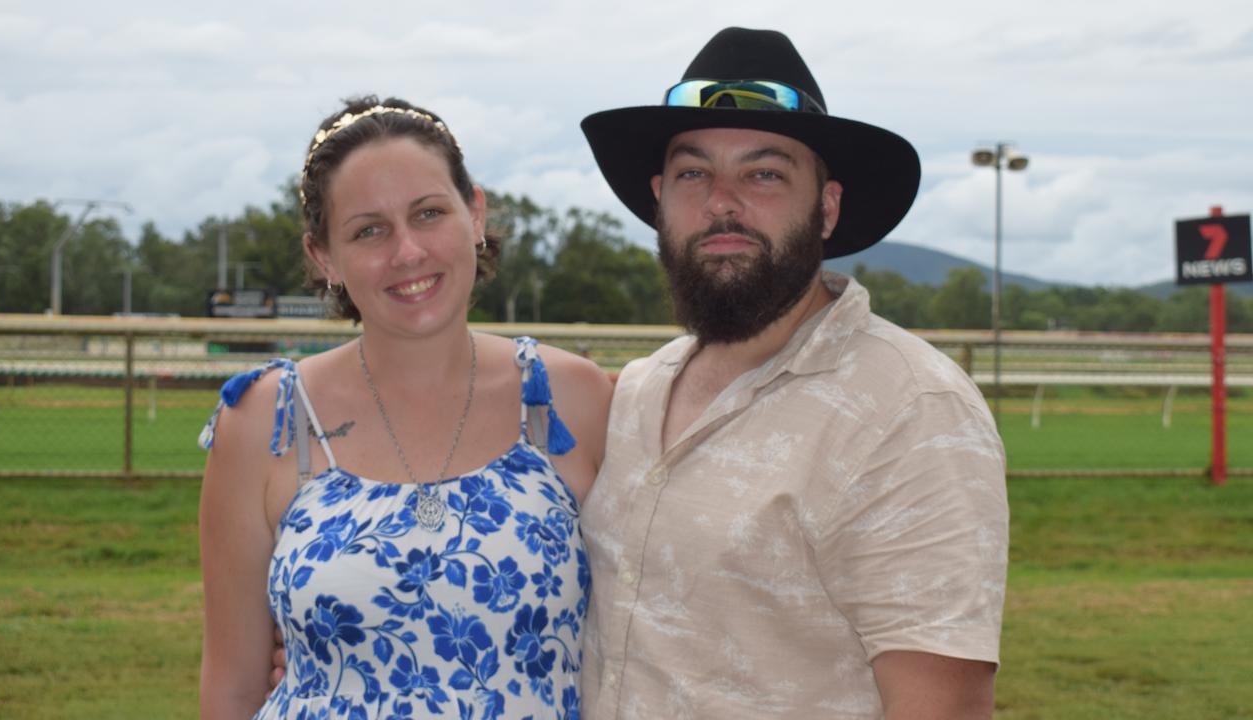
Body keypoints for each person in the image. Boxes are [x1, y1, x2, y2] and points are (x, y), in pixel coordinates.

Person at [577, 27, 1009, 719]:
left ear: (827, 206)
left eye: (764, 173)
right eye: (694, 172)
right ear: (660, 198)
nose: (722, 201)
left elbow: (943, 707)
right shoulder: (635, 392)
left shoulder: (908, 408)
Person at [197, 95, 611, 720]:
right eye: (369, 230)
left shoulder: (570, 400)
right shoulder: (267, 421)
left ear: (474, 213)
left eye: (428, 213)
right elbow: (230, 686)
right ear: (323, 257)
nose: (408, 252)